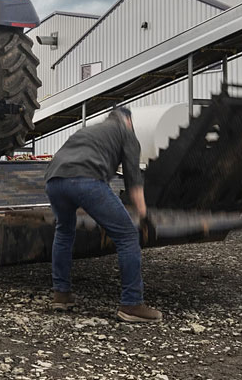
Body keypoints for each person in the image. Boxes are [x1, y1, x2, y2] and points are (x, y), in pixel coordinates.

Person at [44, 106, 161, 323]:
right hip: (86, 179)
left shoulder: (87, 130)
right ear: (128, 121)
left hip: (54, 180)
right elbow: (133, 178)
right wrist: (143, 214)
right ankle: (132, 304)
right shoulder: (127, 133)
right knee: (127, 236)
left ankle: (61, 294)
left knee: (64, 231)